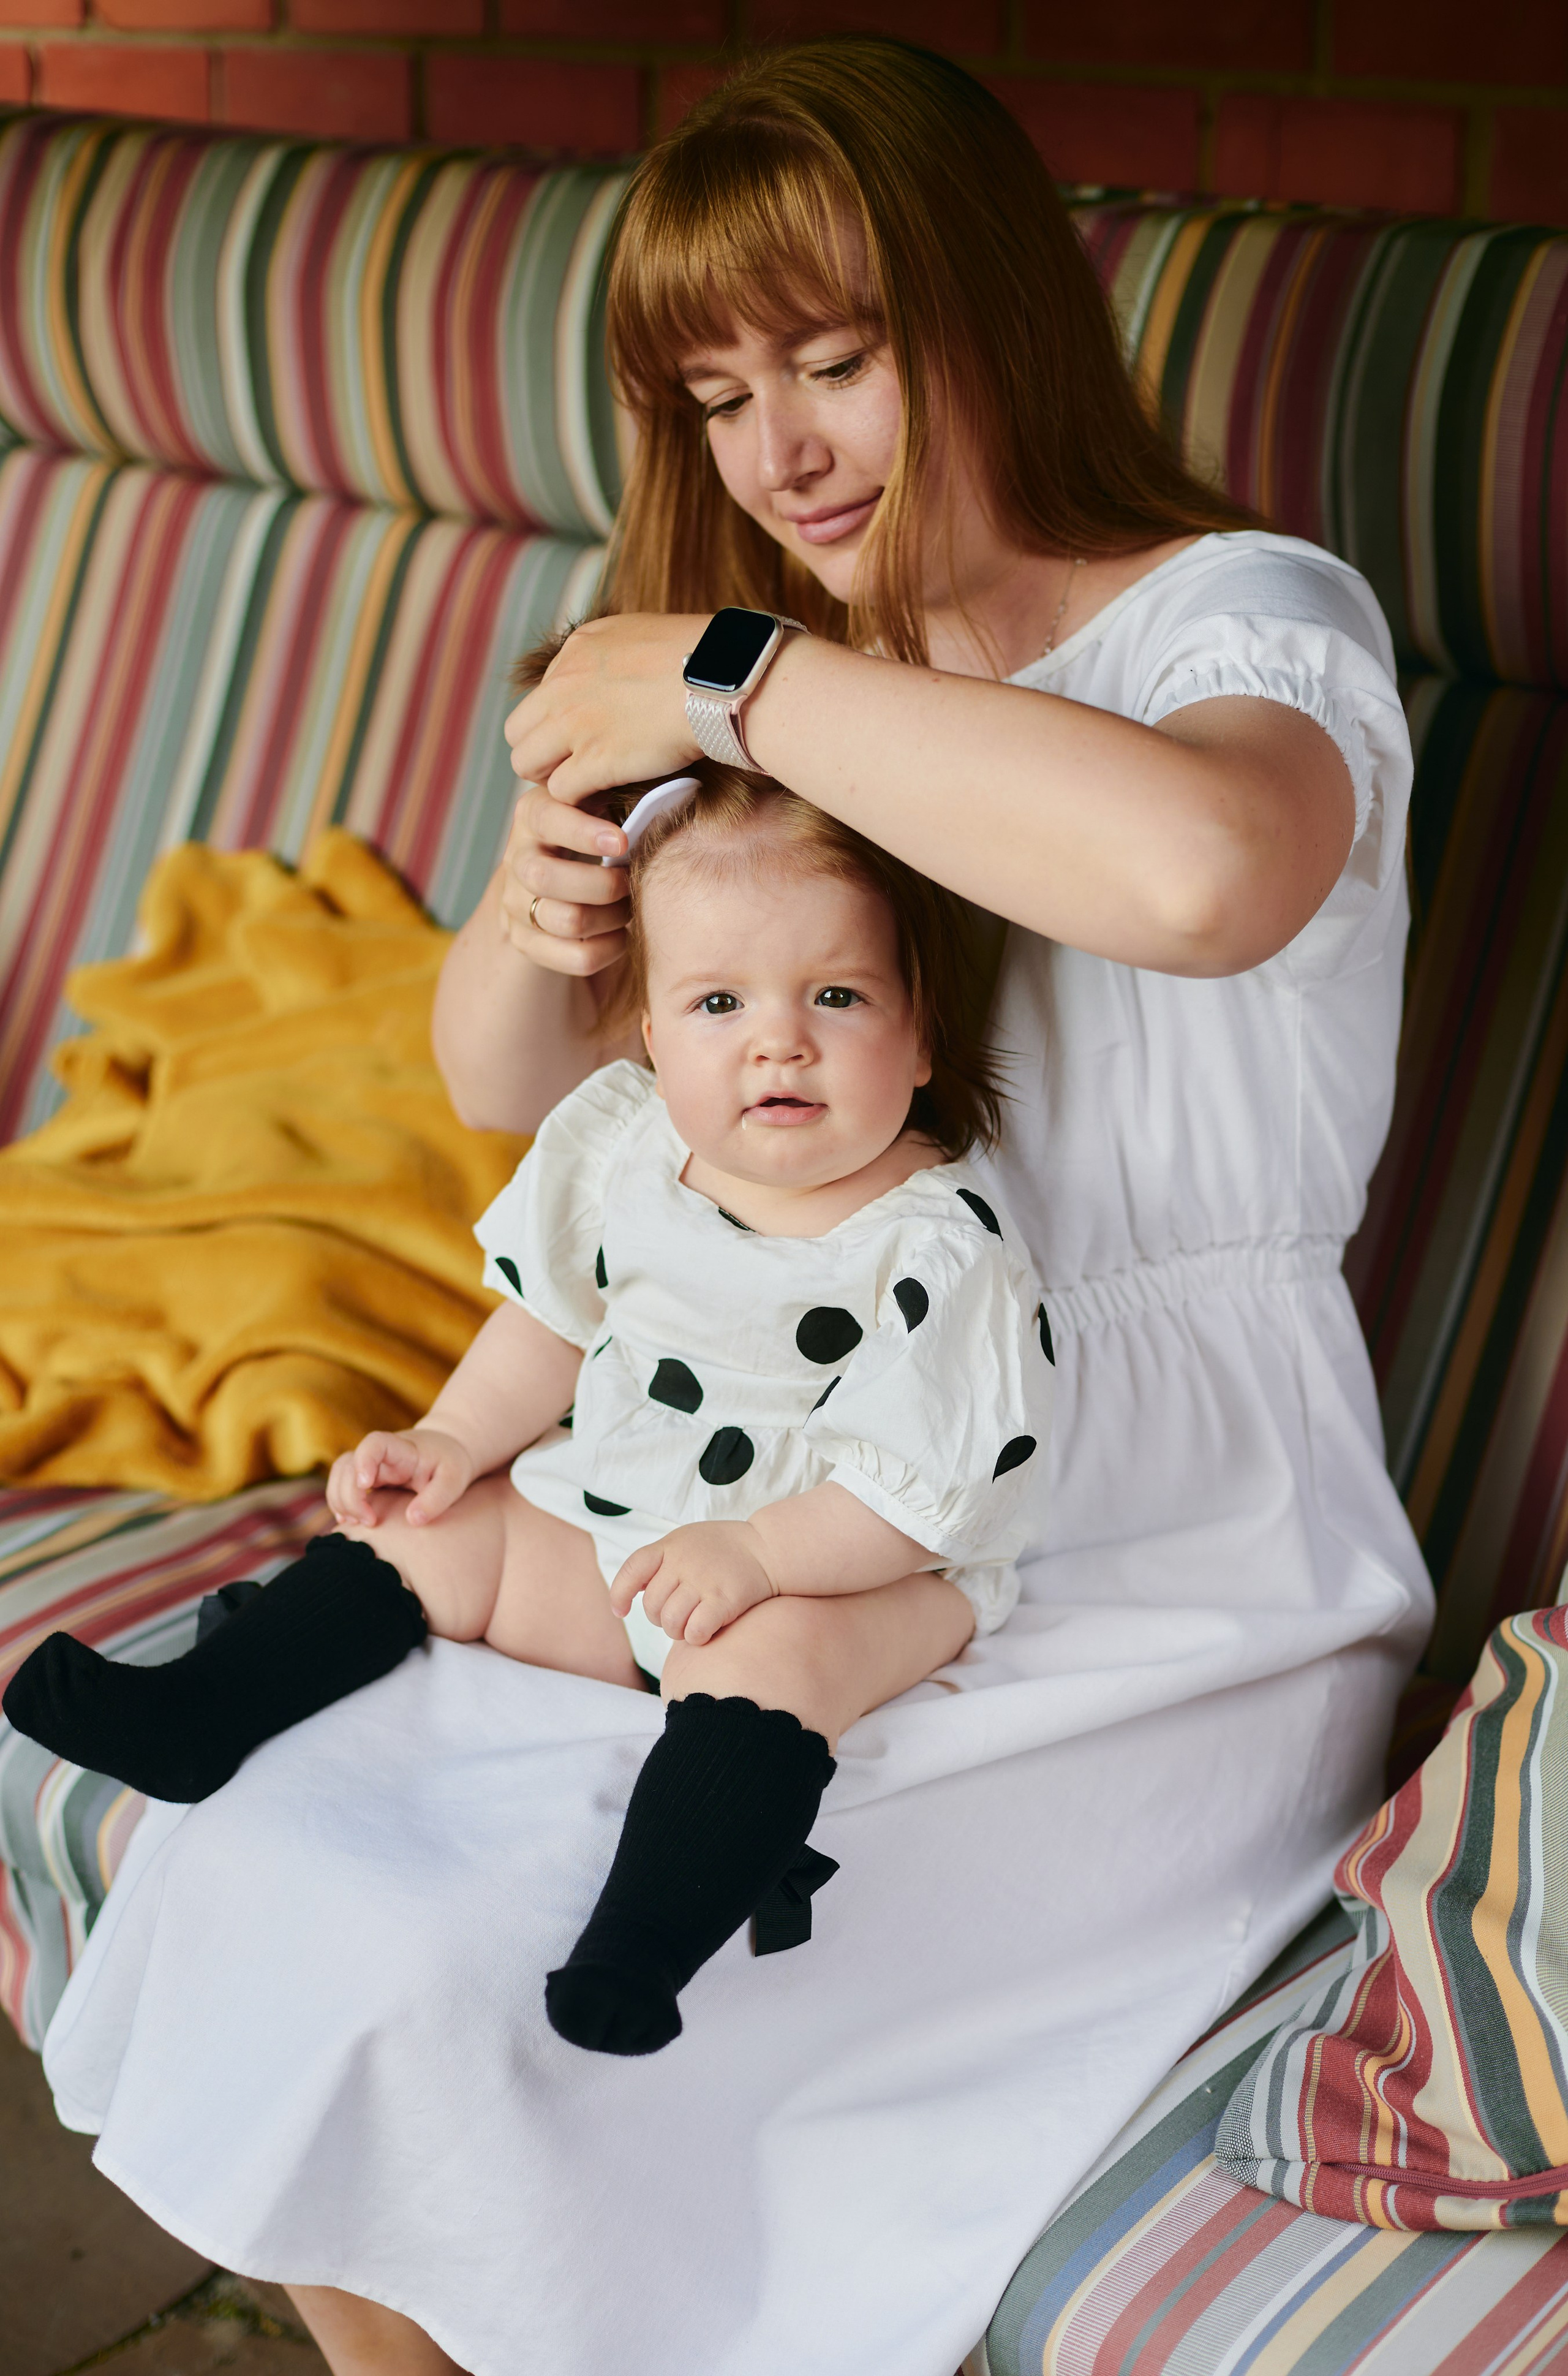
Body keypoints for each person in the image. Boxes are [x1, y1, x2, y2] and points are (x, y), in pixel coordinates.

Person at [37, 37, 1432, 2376]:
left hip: (1150, 1559)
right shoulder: (788, 710)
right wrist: (553, 875)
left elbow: (1201, 872)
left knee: (549, 1983)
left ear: (987, 312)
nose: (776, 452)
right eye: (711, 394)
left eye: (836, 359)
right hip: (735, 1474)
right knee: (284, 1874)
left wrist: (724, 671)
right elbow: (509, 1081)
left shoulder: (1241, 614)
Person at [7, 770, 1052, 2061]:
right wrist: (448, 1440)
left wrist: (759, 1556)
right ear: (653, 1041)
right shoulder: (622, 1150)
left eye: (835, 996)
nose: (777, 1041)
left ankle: (641, 1946)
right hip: (614, 1524)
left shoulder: (939, 1250)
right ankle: (199, 1714)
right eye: (718, 1003)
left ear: (923, 1037)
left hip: (840, 1562)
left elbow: (921, 1491)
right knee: (448, 1536)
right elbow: (549, 1327)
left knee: (769, 1662)